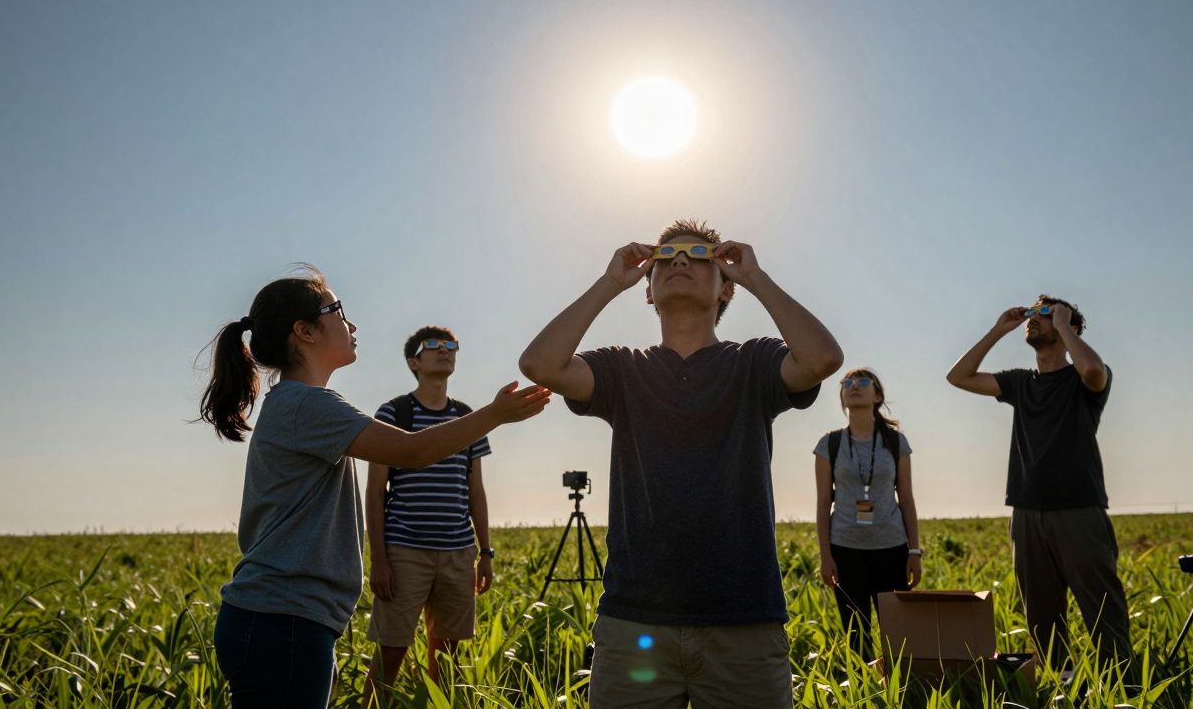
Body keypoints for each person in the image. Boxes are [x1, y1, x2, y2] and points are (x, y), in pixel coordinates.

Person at [518, 219, 843, 709]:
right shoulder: (623, 367)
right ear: (648, 289)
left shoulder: (754, 362)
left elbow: (821, 359)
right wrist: (609, 283)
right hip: (634, 622)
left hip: (743, 622)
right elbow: (540, 365)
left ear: (725, 289)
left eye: (698, 256)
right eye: (666, 257)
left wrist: (756, 278)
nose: (681, 261)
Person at [198, 266, 550, 708]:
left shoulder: (297, 403)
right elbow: (411, 452)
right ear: (305, 331)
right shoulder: (306, 404)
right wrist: (495, 414)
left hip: (281, 618)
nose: (353, 325)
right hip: (282, 620)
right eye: (338, 312)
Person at [946, 295, 1131, 674]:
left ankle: (1123, 686)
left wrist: (1062, 322)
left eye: (1043, 313)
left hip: (1079, 508)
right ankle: (1058, 684)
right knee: (1042, 616)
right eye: (1031, 313)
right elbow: (958, 377)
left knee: (1102, 609)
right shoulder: (1020, 382)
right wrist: (998, 330)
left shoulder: (1084, 379)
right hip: (1026, 511)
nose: (1033, 318)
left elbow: (1092, 369)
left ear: (1069, 325)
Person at [363, 326, 496, 698]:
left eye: (451, 345)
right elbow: (374, 492)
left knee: (447, 656)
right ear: (413, 362)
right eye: (433, 345)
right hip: (404, 552)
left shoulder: (468, 417)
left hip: (458, 553)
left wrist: (485, 553)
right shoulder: (394, 413)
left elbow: (476, 492)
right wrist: (379, 560)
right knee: (390, 652)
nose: (445, 350)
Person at [813, 367, 921, 660]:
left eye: (862, 381)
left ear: (877, 395)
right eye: (847, 382)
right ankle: (866, 685)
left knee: (898, 637)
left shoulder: (896, 442)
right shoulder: (829, 444)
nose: (854, 386)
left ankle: (899, 686)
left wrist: (914, 551)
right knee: (856, 637)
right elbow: (822, 503)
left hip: (892, 549)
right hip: (845, 550)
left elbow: (907, 499)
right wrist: (826, 556)